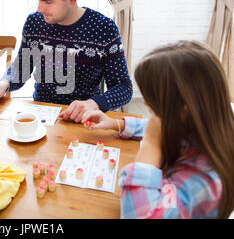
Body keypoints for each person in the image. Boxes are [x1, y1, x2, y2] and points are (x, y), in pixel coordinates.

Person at [82, 40, 234, 219]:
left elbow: (141, 216)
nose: (145, 103)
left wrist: (150, 148)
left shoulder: (204, 184)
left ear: (183, 109)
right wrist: (119, 124)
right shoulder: (205, 125)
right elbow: (162, 127)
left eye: (151, 96)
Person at [0, 0, 132, 120]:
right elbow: (21, 69)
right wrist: (3, 83)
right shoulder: (34, 22)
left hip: (83, 118)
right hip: (42, 115)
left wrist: (94, 103)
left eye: (48, 1)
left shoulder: (104, 28)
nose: (40, 8)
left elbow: (123, 88)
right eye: (38, 0)